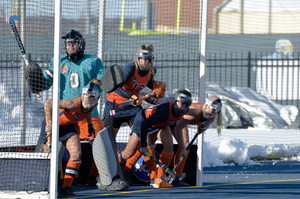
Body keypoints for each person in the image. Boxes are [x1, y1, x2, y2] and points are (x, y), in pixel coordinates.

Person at [24, 30, 123, 189]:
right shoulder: (57, 61)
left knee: (103, 145)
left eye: (74, 43)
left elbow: (103, 84)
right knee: (52, 150)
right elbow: (45, 84)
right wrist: (35, 80)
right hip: (66, 112)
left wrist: (106, 85)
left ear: (81, 44)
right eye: (68, 44)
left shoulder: (93, 60)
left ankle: (107, 178)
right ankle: (47, 184)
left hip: (89, 111)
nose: (71, 46)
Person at [102, 44, 166, 184]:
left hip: (133, 107)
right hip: (116, 105)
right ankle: (97, 174)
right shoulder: (130, 68)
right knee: (107, 142)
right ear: (138, 58)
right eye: (143, 59)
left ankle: (127, 169)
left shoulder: (152, 71)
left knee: (142, 139)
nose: (145, 62)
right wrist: (130, 95)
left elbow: (148, 91)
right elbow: (115, 87)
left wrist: (156, 94)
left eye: (149, 59)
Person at [117, 90, 192, 188]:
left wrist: (182, 147)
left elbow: (174, 127)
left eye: (185, 104)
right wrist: (143, 146)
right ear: (176, 100)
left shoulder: (185, 111)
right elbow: (144, 125)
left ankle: (160, 178)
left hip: (161, 124)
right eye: (179, 103)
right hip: (144, 121)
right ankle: (114, 164)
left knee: (169, 145)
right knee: (129, 153)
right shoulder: (165, 111)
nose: (181, 106)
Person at [44, 80, 101, 197]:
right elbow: (48, 103)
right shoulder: (73, 103)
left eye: (90, 97)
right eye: (85, 95)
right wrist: (49, 123)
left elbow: (89, 113)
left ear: (96, 99)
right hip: (54, 125)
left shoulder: (93, 105)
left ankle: (66, 188)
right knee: (48, 157)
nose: (86, 98)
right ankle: (44, 188)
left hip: (68, 126)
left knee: (76, 154)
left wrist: (90, 126)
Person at [171, 96, 222, 186]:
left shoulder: (211, 116)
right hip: (172, 119)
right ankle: (167, 176)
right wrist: (183, 147)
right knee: (184, 146)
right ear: (206, 106)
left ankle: (176, 176)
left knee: (185, 147)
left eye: (215, 111)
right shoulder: (193, 113)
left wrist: (204, 127)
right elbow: (178, 127)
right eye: (212, 110)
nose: (213, 113)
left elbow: (205, 126)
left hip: (179, 122)